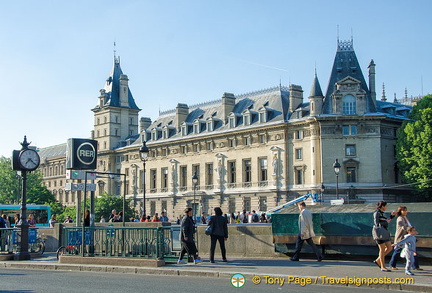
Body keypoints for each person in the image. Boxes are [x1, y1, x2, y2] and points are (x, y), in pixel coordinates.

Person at [389, 206, 422, 271]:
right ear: (400, 211)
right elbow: (403, 226)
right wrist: (409, 230)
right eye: (403, 210)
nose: (405, 212)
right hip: (402, 237)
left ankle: (416, 266)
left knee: (412, 250)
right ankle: (392, 265)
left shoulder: (405, 217)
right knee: (398, 251)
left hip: (408, 237)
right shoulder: (400, 218)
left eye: (405, 210)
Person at [372, 200, 395, 272]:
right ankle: (382, 266)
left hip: (384, 232)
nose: (386, 207)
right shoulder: (377, 213)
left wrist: (392, 216)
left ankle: (378, 260)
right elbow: (376, 223)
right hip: (380, 233)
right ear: (382, 206)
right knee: (382, 249)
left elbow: (386, 221)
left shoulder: (382, 214)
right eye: (386, 206)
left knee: (389, 247)